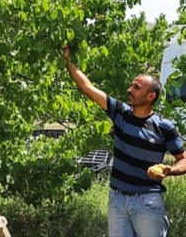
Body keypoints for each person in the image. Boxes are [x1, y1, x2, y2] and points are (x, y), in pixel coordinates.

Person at [62, 46, 186, 237]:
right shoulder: (120, 112)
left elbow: (183, 159)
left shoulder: (164, 127)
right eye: (131, 85)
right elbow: (87, 87)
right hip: (117, 198)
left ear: (150, 96)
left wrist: (170, 170)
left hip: (147, 201)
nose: (129, 90)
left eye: (137, 87)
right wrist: (68, 59)